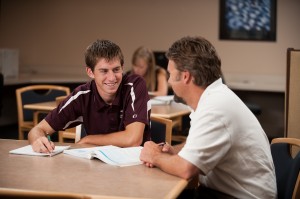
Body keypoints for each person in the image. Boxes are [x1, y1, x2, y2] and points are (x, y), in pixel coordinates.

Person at [140, 36, 277, 198]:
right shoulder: (213, 98)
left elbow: (185, 169)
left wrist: (154, 156)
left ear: (186, 76)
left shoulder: (215, 109)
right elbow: (198, 145)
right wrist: (173, 151)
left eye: (170, 74)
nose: (169, 81)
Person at [28, 39, 151, 153]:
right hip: (98, 168)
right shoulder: (82, 96)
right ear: (90, 72)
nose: (112, 78)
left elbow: (133, 140)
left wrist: (89, 139)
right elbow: (37, 130)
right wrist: (38, 139)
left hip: (133, 167)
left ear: (122, 68)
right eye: (104, 71)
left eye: (116, 69)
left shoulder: (134, 85)